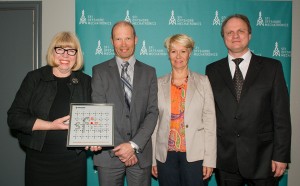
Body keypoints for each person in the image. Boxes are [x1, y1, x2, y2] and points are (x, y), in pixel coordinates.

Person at [205, 14, 291, 186]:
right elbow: (209, 116)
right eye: (229, 32)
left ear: (249, 35)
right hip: (226, 159)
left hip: (264, 159)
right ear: (224, 38)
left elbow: (281, 116)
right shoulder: (212, 70)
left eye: (240, 31)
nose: (235, 36)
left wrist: (281, 156)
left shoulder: (272, 68)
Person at [7, 32, 91, 186]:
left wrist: (94, 139)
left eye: (71, 50)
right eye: (60, 49)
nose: (65, 55)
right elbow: (14, 118)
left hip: (74, 163)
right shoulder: (34, 78)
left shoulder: (86, 82)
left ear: (77, 55)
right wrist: (51, 125)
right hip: (39, 161)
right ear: (52, 51)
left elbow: (94, 120)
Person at [89, 21, 158, 186]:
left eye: (128, 38)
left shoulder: (149, 72)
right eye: (118, 39)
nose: (123, 44)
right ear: (112, 41)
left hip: (140, 154)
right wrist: (123, 149)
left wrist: (133, 145)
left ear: (136, 39)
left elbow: (152, 112)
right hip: (109, 155)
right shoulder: (99, 71)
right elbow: (100, 112)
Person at [151, 34, 217, 186]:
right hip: (165, 156)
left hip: (195, 155)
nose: (178, 56)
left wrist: (209, 159)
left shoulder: (203, 82)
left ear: (190, 53)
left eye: (183, 51)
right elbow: (154, 124)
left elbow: (210, 122)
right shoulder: (158, 83)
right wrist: (153, 158)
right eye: (173, 51)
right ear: (168, 54)